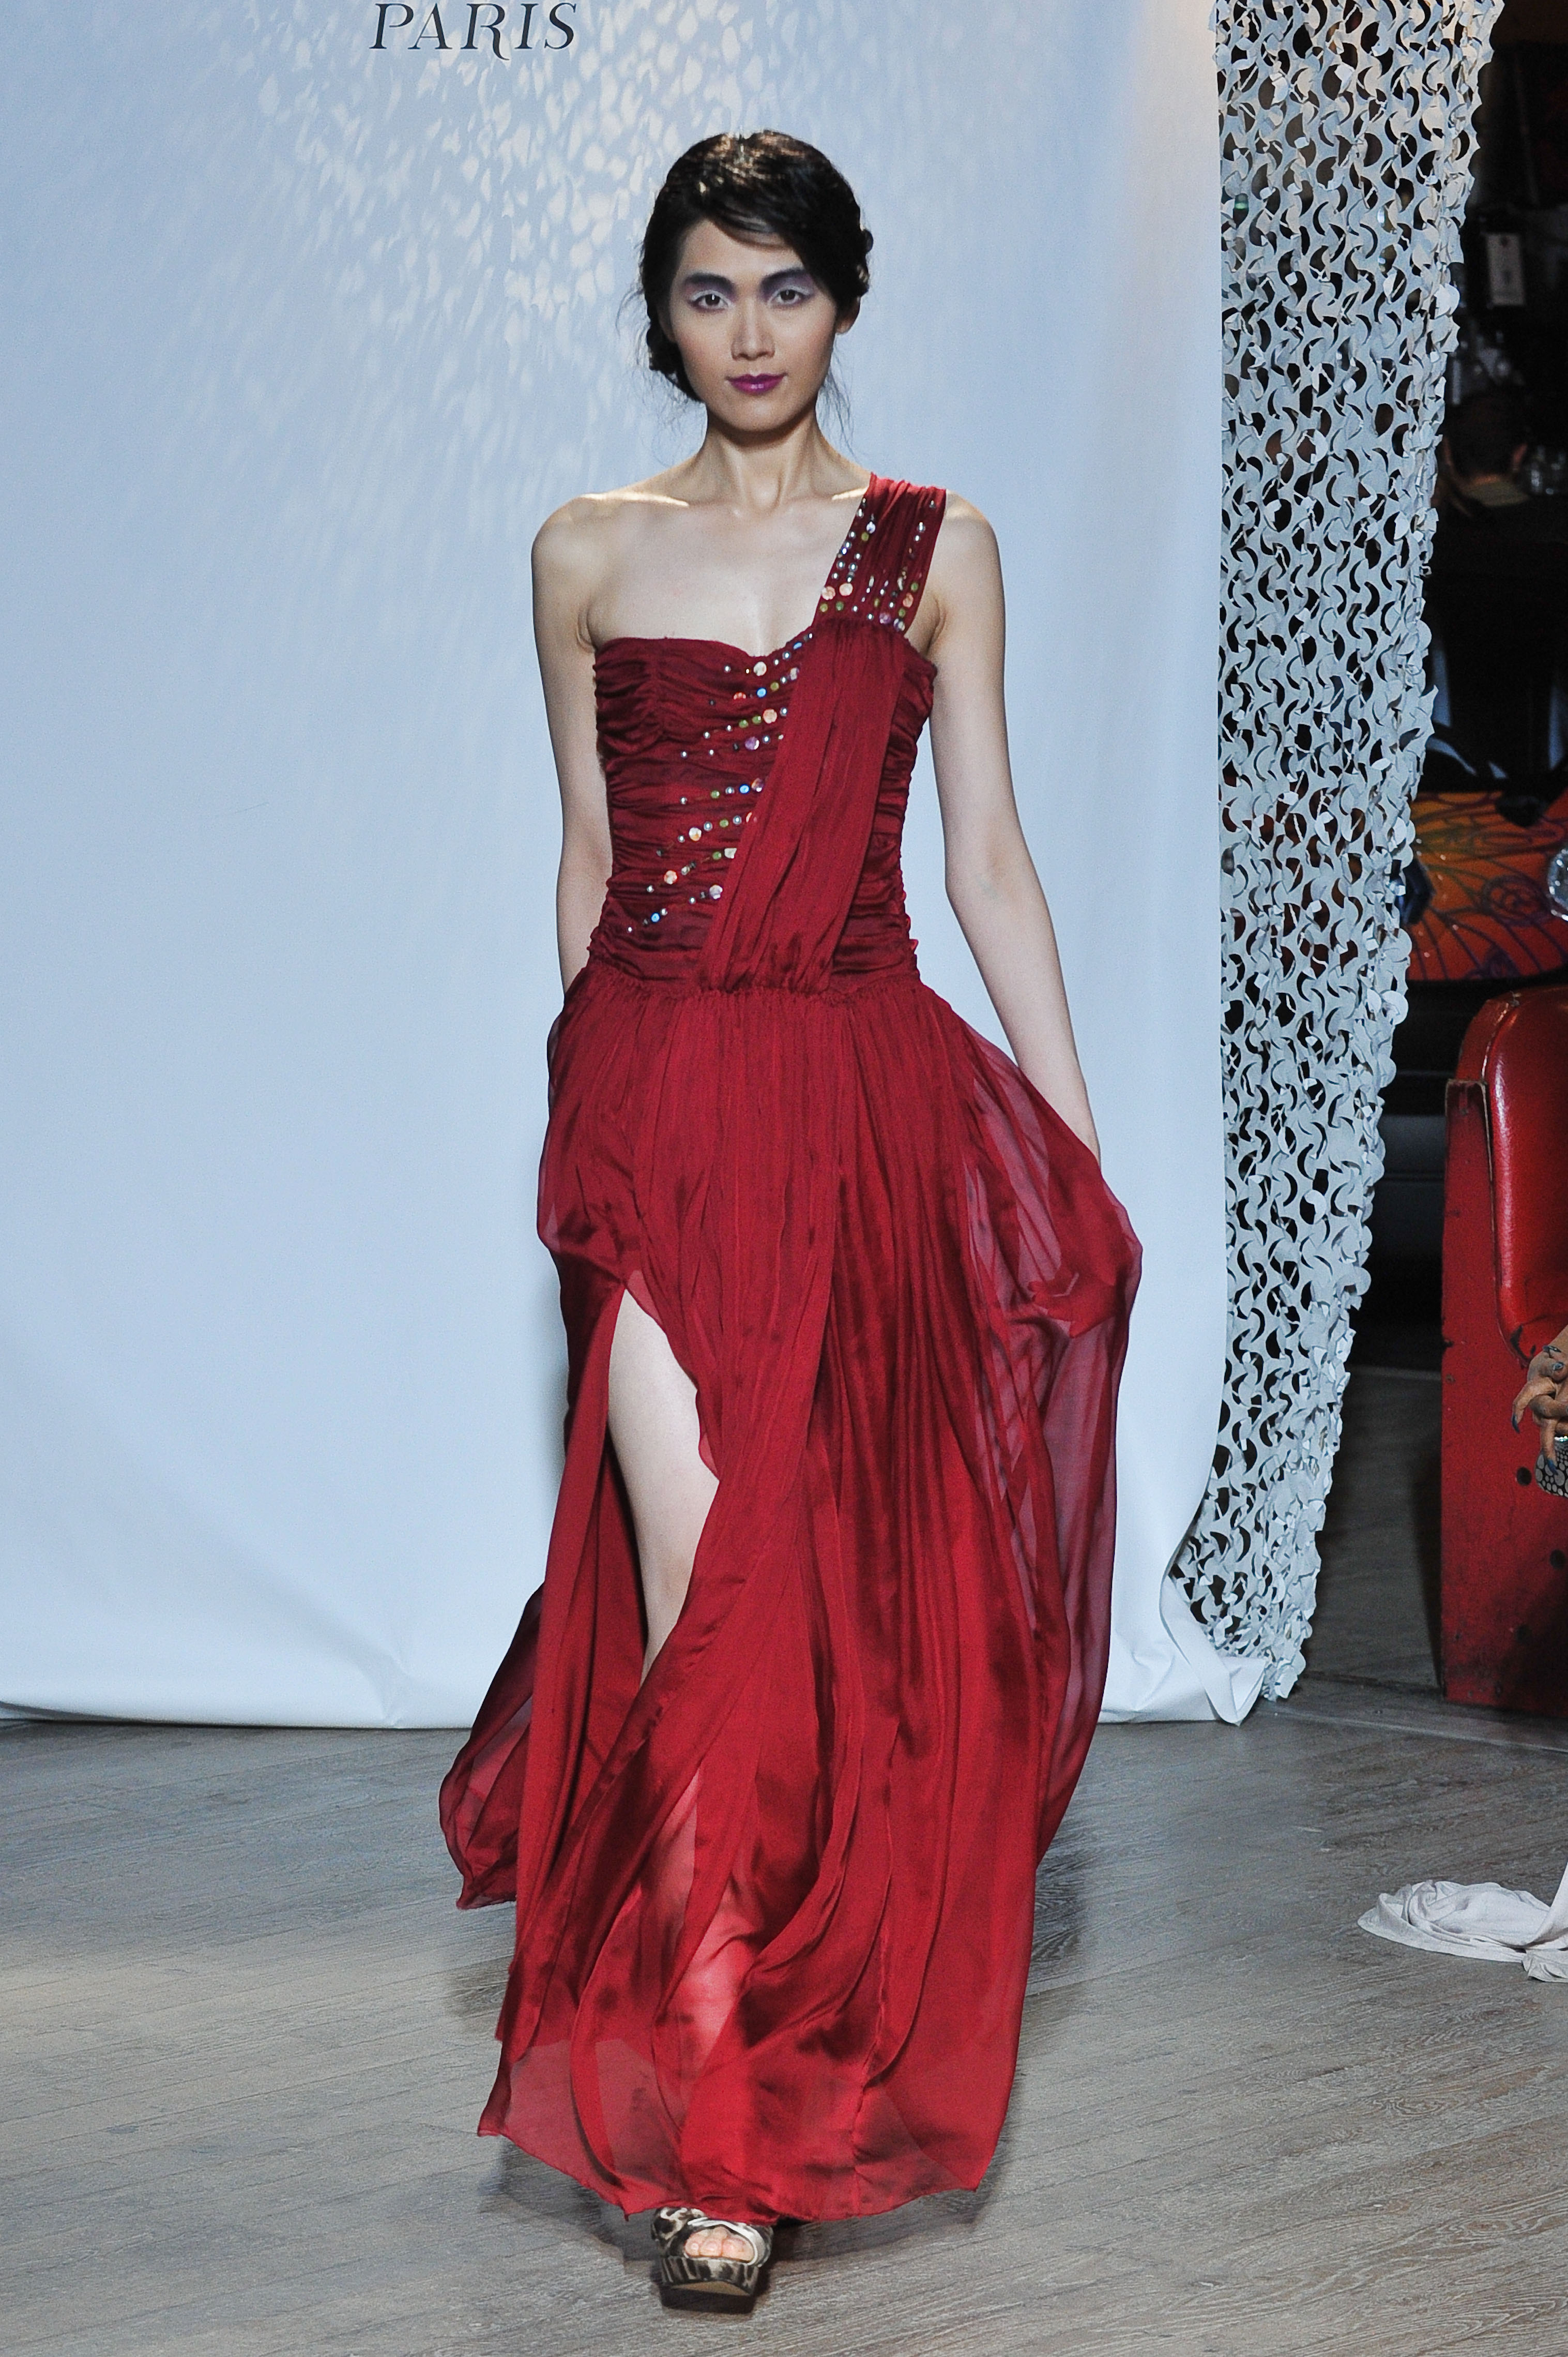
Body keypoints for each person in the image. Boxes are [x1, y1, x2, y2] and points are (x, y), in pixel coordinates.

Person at [440, 129, 1139, 2312]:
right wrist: (582, 1122)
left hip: (860, 1116)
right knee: (710, 1601)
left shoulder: (933, 548)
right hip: (658, 1115)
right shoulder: (583, 548)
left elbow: (987, 863)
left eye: (787, 289)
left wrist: (1074, 1147)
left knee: (842, 1618)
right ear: (661, 314)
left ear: (844, 303)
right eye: (709, 290)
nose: (749, 332)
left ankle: (770, 2033)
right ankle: (717, 2141)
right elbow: (587, 856)